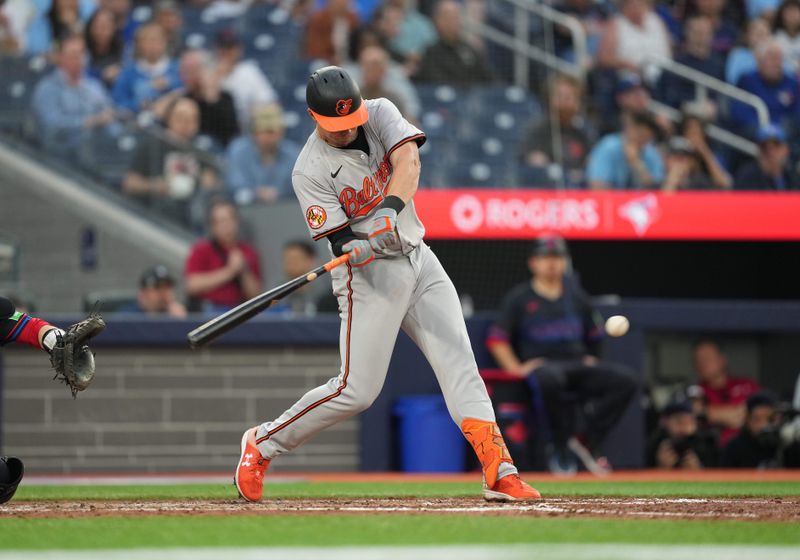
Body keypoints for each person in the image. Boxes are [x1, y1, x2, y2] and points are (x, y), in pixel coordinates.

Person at [234, 66, 540, 503]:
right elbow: (338, 238)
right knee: (356, 391)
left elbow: (408, 162)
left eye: (350, 119)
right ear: (313, 117)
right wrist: (351, 244)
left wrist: (390, 210)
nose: (347, 130)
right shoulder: (308, 169)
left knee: (460, 363)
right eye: (336, 126)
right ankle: (262, 443)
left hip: (418, 255)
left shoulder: (379, 112)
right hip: (368, 276)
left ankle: (499, 469)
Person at [486, 235, 637, 475]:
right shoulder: (520, 298)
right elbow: (497, 339)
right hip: (544, 367)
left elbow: (596, 336)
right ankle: (559, 446)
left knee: (627, 380)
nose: (552, 263)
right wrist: (516, 368)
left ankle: (585, 439)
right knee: (549, 378)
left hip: (576, 364)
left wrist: (592, 359)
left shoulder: (577, 297)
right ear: (533, 263)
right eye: (545, 257)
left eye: (557, 257)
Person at [123, 97, 221, 224]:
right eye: (181, 118)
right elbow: (129, 184)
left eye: (192, 120)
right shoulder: (153, 143)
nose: (186, 124)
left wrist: (209, 186)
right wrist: (155, 186)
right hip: (149, 217)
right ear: (169, 119)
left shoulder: (201, 153)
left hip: (186, 223)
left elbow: (214, 189)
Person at [31, 34, 116, 158]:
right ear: (60, 57)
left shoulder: (93, 87)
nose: (79, 59)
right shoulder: (47, 88)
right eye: (73, 54)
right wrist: (87, 122)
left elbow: (109, 110)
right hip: (60, 157)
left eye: (81, 53)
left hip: (97, 153)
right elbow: (51, 125)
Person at [184, 198, 262, 312]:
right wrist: (230, 271)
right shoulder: (201, 249)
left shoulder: (248, 251)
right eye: (220, 222)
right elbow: (192, 285)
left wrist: (243, 270)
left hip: (239, 310)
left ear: (237, 221)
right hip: (208, 311)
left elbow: (256, 295)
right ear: (212, 226)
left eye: (229, 220)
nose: (226, 226)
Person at [156, 49, 240, 147]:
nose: (185, 77)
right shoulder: (181, 99)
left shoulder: (224, 98)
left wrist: (212, 99)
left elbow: (232, 136)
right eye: (183, 71)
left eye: (190, 71)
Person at [521, 75, 592, 188]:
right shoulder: (538, 130)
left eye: (569, 97)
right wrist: (566, 175)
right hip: (546, 191)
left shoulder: (583, 133)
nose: (564, 102)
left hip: (578, 194)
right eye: (560, 96)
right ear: (550, 99)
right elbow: (536, 163)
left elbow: (591, 165)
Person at [225, 104, 301, 206]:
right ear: (254, 132)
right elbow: (234, 187)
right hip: (247, 212)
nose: (272, 138)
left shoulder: (292, 153)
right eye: (267, 132)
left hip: (284, 212)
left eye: (276, 132)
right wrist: (255, 193)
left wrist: (278, 193)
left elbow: (300, 189)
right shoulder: (238, 151)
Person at [693, 339, 761, 447]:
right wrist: (730, 414)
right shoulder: (695, 390)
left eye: (707, 358)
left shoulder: (747, 384)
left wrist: (711, 413)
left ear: (722, 359)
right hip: (713, 454)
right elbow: (692, 414)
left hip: (750, 449)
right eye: (698, 360)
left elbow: (762, 413)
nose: (702, 363)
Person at [413, 0, 493, 87]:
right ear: (438, 21)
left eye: (456, 17)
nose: (454, 22)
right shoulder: (431, 53)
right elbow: (438, 83)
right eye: (449, 17)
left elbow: (490, 78)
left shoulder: (470, 50)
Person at [730, 40, 800, 138]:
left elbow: (797, 113)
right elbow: (739, 110)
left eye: (779, 59)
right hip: (755, 136)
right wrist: (764, 130)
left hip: (786, 138)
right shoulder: (747, 80)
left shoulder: (792, 84)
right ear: (759, 61)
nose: (776, 63)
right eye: (772, 58)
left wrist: (783, 130)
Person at [214, 28, 279, 131]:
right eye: (223, 48)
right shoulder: (209, 71)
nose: (226, 52)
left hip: (246, 130)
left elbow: (270, 103)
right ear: (217, 50)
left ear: (239, 50)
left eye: (230, 48)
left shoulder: (248, 72)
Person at [112, 22, 181, 114]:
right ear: (139, 45)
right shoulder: (128, 72)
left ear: (165, 42)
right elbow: (118, 102)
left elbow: (187, 92)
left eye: (156, 40)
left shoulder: (177, 69)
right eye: (147, 41)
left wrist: (170, 86)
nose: (152, 46)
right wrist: (138, 105)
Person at [659, 16, 725, 111]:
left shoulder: (718, 64)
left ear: (711, 36)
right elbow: (671, 95)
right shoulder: (677, 64)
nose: (701, 38)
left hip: (712, 116)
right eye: (697, 33)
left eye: (704, 33)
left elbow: (723, 94)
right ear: (688, 34)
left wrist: (714, 105)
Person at [586, 112, 664, 190]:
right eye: (639, 134)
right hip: (612, 200)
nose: (640, 140)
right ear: (629, 128)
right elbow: (597, 186)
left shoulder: (651, 153)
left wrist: (637, 163)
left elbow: (656, 191)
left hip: (641, 201)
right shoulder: (608, 147)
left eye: (646, 138)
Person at [596, 0, 671, 72]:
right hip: (631, 75)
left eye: (640, 4)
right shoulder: (616, 24)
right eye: (633, 4)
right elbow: (604, 58)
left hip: (665, 72)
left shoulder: (656, 20)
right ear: (625, 6)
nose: (637, 8)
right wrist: (626, 64)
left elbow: (668, 49)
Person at [647, 401, 719, 469]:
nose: (685, 427)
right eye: (679, 421)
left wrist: (698, 471)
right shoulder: (655, 444)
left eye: (689, 421)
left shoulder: (706, 444)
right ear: (665, 421)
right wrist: (661, 469)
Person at [722, 392, 783, 468]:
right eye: (757, 419)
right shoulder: (734, 448)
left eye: (770, 419)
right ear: (747, 419)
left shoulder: (784, 445)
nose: (764, 425)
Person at [280, 240, 338, 316]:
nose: (290, 264)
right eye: (287, 260)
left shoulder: (328, 295)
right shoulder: (281, 294)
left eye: (295, 259)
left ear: (310, 260)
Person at [734, 124, 800, 190]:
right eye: (765, 148)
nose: (771, 152)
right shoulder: (747, 177)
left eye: (776, 146)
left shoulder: (793, 175)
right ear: (759, 151)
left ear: (786, 149)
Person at [661, 136, 729, 191]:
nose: (679, 163)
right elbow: (657, 206)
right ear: (666, 160)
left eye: (684, 158)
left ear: (692, 163)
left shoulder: (700, 185)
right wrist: (671, 183)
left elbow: (724, 186)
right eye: (675, 158)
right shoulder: (656, 185)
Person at [117, 265, 188, 317]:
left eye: (167, 287)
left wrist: (181, 323)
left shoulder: (177, 315)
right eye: (157, 287)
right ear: (142, 293)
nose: (163, 293)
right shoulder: (127, 317)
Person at [304, 0, 360, 65]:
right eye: (337, 4)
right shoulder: (319, 19)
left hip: (348, 60)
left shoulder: (352, 19)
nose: (340, 7)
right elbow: (314, 47)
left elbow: (357, 42)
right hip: (324, 59)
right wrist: (330, 58)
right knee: (318, 64)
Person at [726, 17, 775, 85]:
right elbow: (732, 79)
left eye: (764, 34)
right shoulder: (738, 54)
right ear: (747, 37)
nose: (761, 38)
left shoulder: (776, 56)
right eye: (757, 34)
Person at [84, 7, 124, 87]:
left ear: (114, 28)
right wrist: (102, 75)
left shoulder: (122, 49)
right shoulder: (83, 49)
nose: (101, 31)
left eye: (106, 26)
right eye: (98, 26)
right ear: (90, 27)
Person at [774, 0, 800, 73]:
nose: (792, 16)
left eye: (795, 12)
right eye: (788, 13)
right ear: (781, 15)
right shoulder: (775, 38)